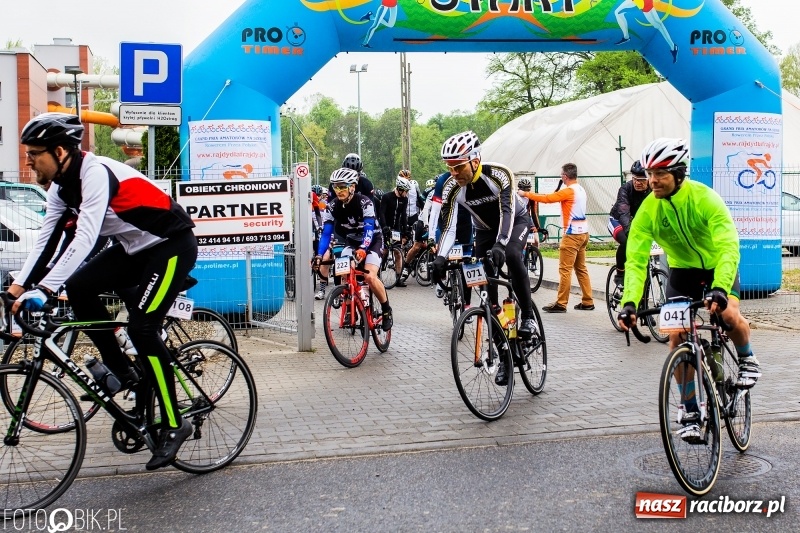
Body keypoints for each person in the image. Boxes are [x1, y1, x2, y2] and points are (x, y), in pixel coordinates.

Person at [9, 113, 198, 470]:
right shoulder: (61, 188)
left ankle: (175, 422)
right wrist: (17, 286)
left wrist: (47, 289)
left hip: (172, 244)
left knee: (142, 328)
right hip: (134, 249)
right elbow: (47, 240)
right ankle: (125, 373)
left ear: (61, 151)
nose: (29, 160)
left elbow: (85, 237)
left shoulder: (94, 173)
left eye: (35, 153)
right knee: (81, 287)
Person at [617, 138, 761, 441]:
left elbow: (727, 246)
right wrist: (629, 302)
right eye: (649, 173)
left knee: (728, 315)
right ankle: (690, 409)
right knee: (676, 335)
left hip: (717, 266)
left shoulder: (705, 199)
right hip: (682, 271)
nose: (652, 180)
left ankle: (747, 358)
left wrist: (720, 287)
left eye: (660, 173)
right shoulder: (649, 211)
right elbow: (636, 260)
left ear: (680, 173)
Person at [432, 131, 536, 386]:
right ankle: (505, 355)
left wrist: (501, 244)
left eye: (458, 166)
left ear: (475, 160)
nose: (454, 172)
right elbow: (449, 228)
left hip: (514, 222)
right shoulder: (451, 187)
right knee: (486, 294)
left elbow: (507, 211)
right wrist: (440, 258)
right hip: (484, 231)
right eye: (449, 167)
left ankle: (529, 317)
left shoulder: (498, 175)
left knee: (511, 255)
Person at [313, 168, 393, 331]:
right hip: (351, 241)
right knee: (344, 273)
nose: (339, 190)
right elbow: (326, 233)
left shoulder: (365, 202)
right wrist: (319, 255)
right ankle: (350, 309)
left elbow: (369, 228)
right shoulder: (332, 206)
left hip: (372, 240)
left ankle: (386, 310)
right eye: (336, 187)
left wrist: (364, 248)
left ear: (352, 187)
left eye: (342, 186)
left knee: (370, 277)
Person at [519, 163, 593, 312]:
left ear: (565, 176)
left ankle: (561, 303)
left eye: (561, 175)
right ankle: (587, 301)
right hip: (584, 233)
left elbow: (547, 198)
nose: (561, 177)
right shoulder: (581, 189)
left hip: (572, 235)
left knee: (565, 270)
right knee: (581, 269)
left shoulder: (568, 191)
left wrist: (525, 194)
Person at [608, 161, 651, 285]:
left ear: (649, 179)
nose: (637, 182)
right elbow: (623, 212)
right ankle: (620, 274)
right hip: (617, 220)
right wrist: (630, 231)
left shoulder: (653, 190)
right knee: (627, 241)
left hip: (637, 222)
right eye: (635, 179)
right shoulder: (625, 189)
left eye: (642, 180)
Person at [379, 174, 411, 287]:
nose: (406, 193)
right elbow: (381, 213)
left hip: (396, 228)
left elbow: (403, 216)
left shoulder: (404, 199)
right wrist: (383, 227)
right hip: (385, 226)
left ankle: (398, 278)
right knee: (384, 252)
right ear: (400, 189)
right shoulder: (387, 197)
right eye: (405, 191)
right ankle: (378, 275)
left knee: (398, 253)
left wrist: (406, 231)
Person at [517, 177, 548, 245]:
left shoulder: (531, 197)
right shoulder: (515, 197)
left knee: (536, 240)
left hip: (528, 218)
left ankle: (535, 254)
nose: (526, 191)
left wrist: (538, 228)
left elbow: (534, 213)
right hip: (517, 218)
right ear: (519, 188)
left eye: (528, 189)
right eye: (524, 189)